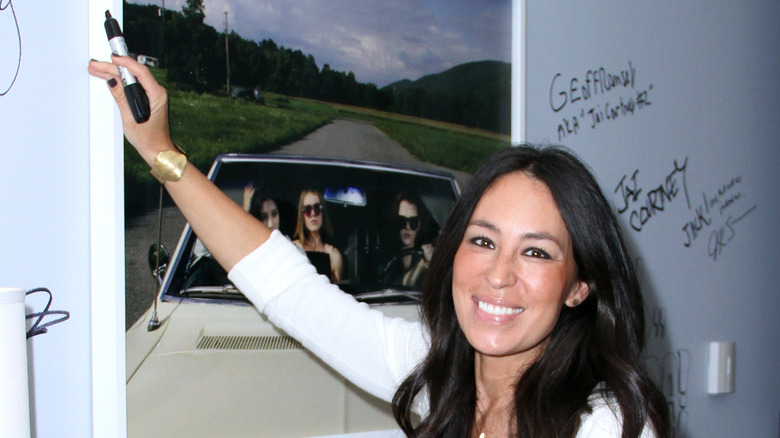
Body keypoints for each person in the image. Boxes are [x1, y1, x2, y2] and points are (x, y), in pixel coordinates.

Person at [88, 56, 670, 437]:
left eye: (537, 252)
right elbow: (287, 285)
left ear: (580, 285)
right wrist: (161, 153)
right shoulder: (437, 370)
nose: (499, 274)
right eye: (483, 240)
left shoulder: (608, 423)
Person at [380, 193, 434, 289]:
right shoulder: (386, 258)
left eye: (413, 222)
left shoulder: (426, 254)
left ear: (418, 225)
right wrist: (421, 265)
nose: (407, 227)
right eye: (402, 221)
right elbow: (394, 288)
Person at [291, 189, 343, 283]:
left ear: (323, 212)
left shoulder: (334, 255)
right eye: (307, 209)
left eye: (317, 208)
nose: (313, 214)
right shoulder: (294, 249)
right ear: (302, 215)